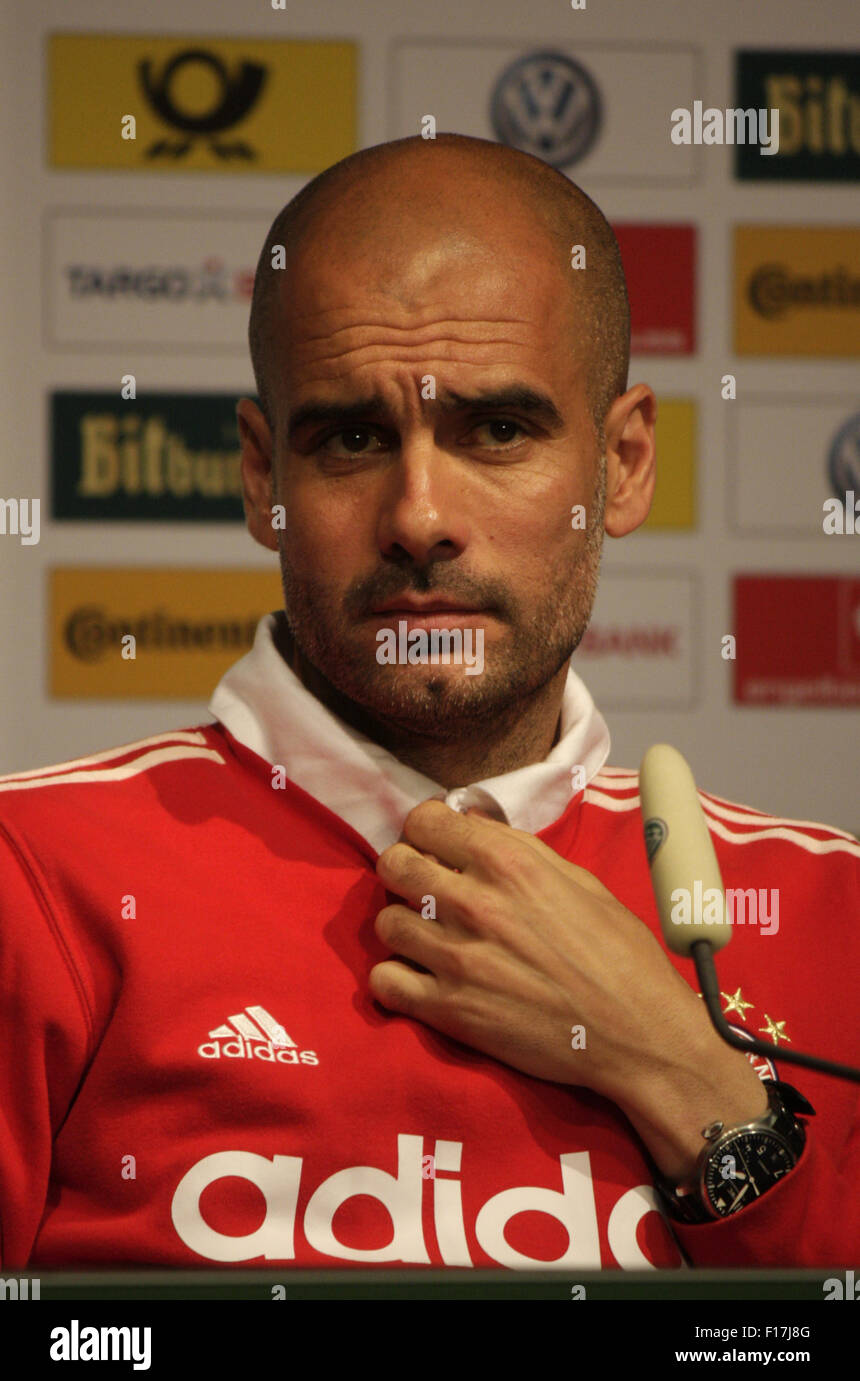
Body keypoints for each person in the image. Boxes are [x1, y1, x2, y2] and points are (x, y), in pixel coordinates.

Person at [1, 134, 856, 1273]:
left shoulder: (826, 914)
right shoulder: (31, 878)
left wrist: (693, 1083)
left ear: (625, 462)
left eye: (496, 430)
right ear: (264, 480)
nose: (418, 514)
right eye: (352, 439)